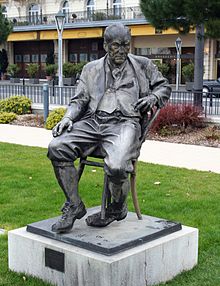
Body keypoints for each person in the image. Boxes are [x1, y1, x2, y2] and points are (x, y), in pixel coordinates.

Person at [47, 22, 171, 233]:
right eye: (116, 45)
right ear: (105, 45)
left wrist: (152, 97)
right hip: (92, 122)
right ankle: (74, 205)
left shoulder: (142, 65)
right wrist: (67, 118)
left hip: (125, 123)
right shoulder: (90, 69)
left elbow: (164, 86)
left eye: (125, 45)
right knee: (57, 147)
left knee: (117, 165)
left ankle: (116, 208)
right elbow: (79, 100)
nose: (122, 50)